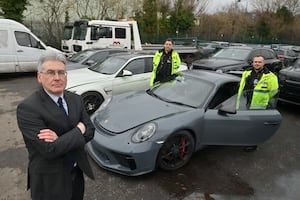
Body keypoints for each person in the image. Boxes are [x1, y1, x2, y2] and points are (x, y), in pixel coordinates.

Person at [16, 50, 95, 200]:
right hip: (50, 181)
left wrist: (60, 139)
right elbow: (49, 150)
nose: (57, 78)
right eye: (51, 72)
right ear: (40, 77)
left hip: (76, 173)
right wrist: (79, 129)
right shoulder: (28, 108)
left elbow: (90, 130)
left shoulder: (75, 99)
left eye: (61, 72)